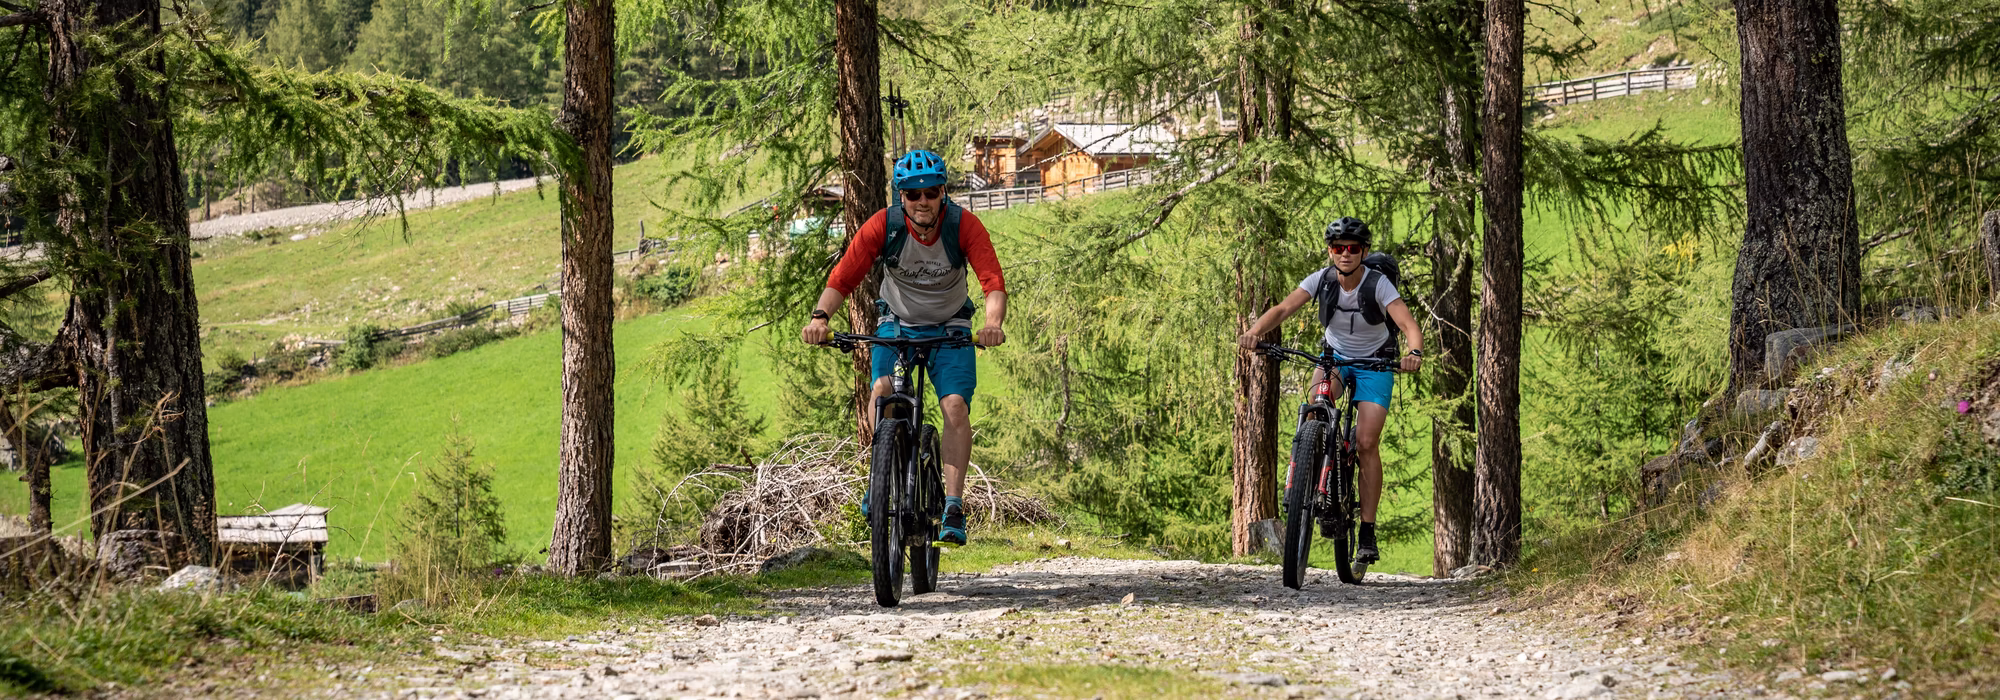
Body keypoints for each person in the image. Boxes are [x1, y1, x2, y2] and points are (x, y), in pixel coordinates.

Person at [801, 149, 1007, 546]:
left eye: (931, 192)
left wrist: (992, 324)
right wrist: (820, 318)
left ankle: (952, 506)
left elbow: (992, 282)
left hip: (950, 326)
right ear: (901, 197)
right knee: (882, 392)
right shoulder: (886, 225)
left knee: (954, 406)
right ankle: (879, 481)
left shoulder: (964, 226)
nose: (923, 200)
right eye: (913, 194)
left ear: (943, 192)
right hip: (897, 323)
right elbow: (843, 278)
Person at [1236, 216, 1423, 564]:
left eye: (1353, 248)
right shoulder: (1321, 280)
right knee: (1317, 403)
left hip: (1375, 363)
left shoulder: (1378, 285)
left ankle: (1366, 530)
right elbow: (1282, 309)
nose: (1346, 254)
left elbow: (1408, 324)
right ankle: (1311, 461)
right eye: (1339, 248)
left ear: (1364, 251)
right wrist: (1255, 333)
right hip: (1334, 357)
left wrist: (1413, 353)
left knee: (1367, 443)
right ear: (1331, 251)